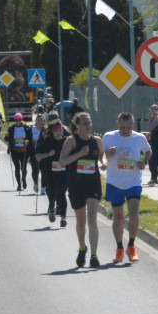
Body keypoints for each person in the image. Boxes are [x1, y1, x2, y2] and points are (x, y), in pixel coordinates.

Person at [102, 112, 151, 263]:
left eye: (127, 127)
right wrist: (106, 157)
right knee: (118, 217)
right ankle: (119, 248)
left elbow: (148, 151)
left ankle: (131, 245)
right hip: (115, 182)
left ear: (133, 125)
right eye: (122, 127)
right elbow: (102, 154)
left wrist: (145, 161)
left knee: (134, 214)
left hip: (133, 182)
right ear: (117, 124)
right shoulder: (109, 137)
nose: (124, 130)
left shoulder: (139, 138)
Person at [59, 111, 104, 268]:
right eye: (85, 123)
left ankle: (94, 255)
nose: (88, 125)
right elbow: (62, 162)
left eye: (89, 122)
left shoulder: (97, 141)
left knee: (92, 218)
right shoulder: (71, 141)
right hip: (76, 185)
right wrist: (79, 154)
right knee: (81, 220)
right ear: (77, 125)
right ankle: (82, 248)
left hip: (93, 184)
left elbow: (100, 156)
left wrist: (102, 162)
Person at [35, 112, 68, 227]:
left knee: (62, 193)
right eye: (57, 131)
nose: (59, 133)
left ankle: (63, 217)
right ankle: (51, 208)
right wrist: (48, 154)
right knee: (51, 192)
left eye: (60, 130)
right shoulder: (46, 140)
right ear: (53, 131)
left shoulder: (66, 141)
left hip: (63, 172)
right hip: (49, 171)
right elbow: (37, 156)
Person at [4, 112, 33, 191]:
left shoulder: (26, 127)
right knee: (17, 168)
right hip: (14, 151)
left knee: (23, 168)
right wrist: (6, 136)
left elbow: (30, 138)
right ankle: (19, 185)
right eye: (16, 119)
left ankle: (23, 180)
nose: (17, 121)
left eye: (19, 119)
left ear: (22, 119)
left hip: (24, 151)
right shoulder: (11, 128)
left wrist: (27, 141)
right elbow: (7, 140)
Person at [146, 104, 158, 185]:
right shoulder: (154, 119)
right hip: (155, 142)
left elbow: (149, 128)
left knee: (156, 160)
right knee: (154, 161)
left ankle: (155, 178)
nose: (152, 111)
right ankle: (154, 177)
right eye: (151, 110)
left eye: (154, 109)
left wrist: (150, 120)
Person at [29, 113, 44, 193]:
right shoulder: (32, 129)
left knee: (43, 171)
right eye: (38, 120)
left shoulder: (45, 130)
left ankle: (43, 187)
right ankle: (35, 183)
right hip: (34, 152)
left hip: (43, 153)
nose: (40, 122)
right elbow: (28, 138)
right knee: (35, 170)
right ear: (36, 121)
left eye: (41, 120)